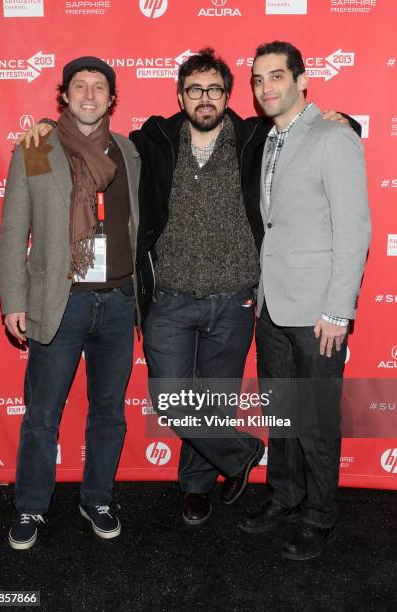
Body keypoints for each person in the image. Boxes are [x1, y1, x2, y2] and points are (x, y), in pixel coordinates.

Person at [21, 48, 357, 528]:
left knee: (215, 398)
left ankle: (198, 486)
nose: (205, 98)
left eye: (215, 89)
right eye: (195, 89)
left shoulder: (254, 137)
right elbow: (89, 139)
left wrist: (344, 121)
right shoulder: (152, 141)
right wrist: (45, 126)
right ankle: (241, 453)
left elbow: (311, 138)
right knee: (173, 398)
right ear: (180, 96)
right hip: (171, 299)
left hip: (235, 299)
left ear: (227, 96)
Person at [0, 56, 140, 550]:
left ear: (111, 98)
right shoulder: (38, 146)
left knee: (109, 410)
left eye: (98, 87)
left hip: (120, 301)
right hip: (60, 301)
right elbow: (15, 227)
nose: (88, 95)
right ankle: (31, 506)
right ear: (64, 95)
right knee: (42, 412)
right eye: (79, 86)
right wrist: (13, 298)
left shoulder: (127, 151)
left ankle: (96, 496)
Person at [238, 41, 371, 561]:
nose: (266, 87)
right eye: (257, 79)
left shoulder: (333, 136)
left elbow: (354, 228)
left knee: (315, 419)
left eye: (276, 76)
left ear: (302, 79)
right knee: (283, 413)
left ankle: (320, 516)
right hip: (272, 304)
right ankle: (285, 496)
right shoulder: (265, 139)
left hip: (318, 311)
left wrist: (339, 310)